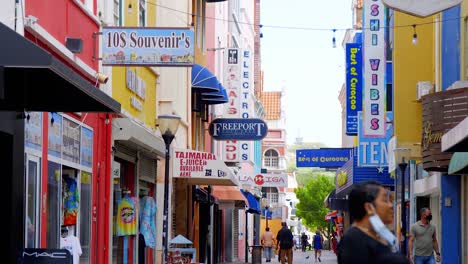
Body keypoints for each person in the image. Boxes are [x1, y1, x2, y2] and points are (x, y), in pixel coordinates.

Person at [337, 181, 409, 264]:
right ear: (368, 207)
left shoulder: (380, 235)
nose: (390, 205)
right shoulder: (353, 240)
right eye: (385, 200)